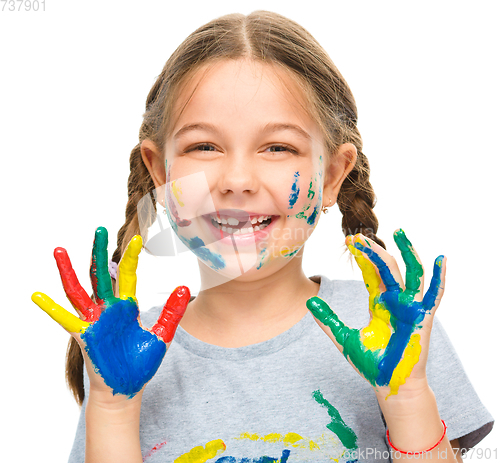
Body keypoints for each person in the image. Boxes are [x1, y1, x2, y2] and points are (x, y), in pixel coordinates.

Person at [31, 10, 493, 463]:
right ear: (159, 174)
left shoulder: (390, 329)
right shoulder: (127, 347)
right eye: (204, 147)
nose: (237, 179)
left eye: (277, 147)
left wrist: (408, 397)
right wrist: (113, 408)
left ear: (332, 175)